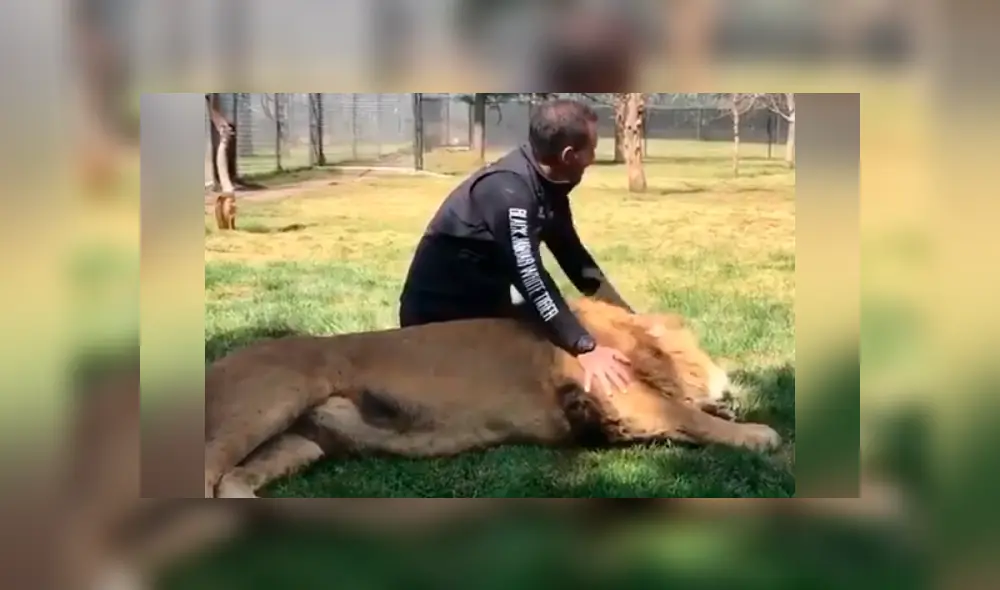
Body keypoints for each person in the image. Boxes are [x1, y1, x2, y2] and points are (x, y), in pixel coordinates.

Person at [398, 98, 635, 397]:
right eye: (592, 148)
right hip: (439, 322)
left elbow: (574, 258)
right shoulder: (508, 191)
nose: (594, 156)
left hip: (485, 310)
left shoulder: (547, 184)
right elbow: (530, 277)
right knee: (546, 373)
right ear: (569, 155)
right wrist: (584, 347)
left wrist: (630, 317)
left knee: (568, 327)